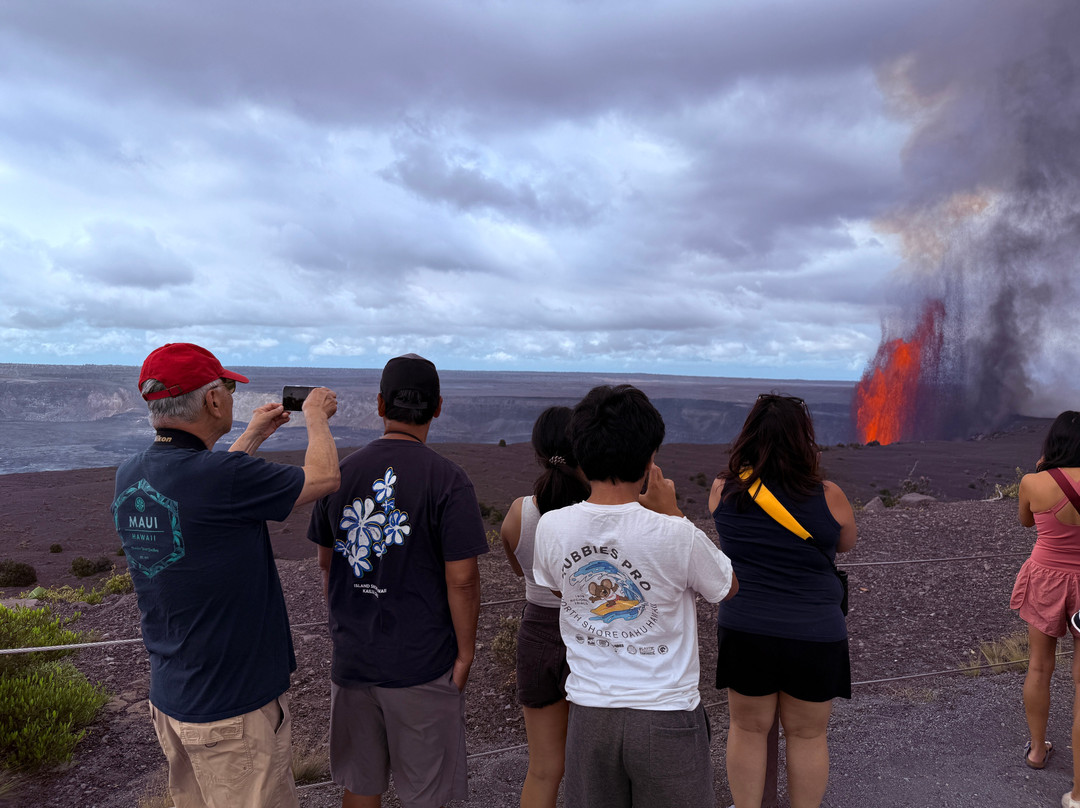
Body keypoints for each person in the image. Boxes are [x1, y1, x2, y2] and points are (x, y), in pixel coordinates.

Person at [111, 342, 340, 808]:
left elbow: (209, 489)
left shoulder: (130, 474)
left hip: (174, 701)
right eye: (228, 388)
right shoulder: (220, 478)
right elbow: (323, 478)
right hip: (234, 710)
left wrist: (252, 436)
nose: (233, 398)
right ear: (212, 400)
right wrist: (317, 415)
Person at [533, 384, 738, 808]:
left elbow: (560, 587)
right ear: (650, 460)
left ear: (581, 454)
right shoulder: (675, 533)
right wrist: (674, 513)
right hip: (667, 716)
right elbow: (726, 587)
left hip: (589, 717)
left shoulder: (552, 527)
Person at [308, 353, 488, 808]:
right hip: (423, 664)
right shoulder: (449, 480)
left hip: (354, 660)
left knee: (361, 786)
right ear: (438, 407)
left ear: (380, 405)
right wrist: (465, 654)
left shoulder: (339, 473)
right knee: (426, 792)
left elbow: (326, 563)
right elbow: (463, 579)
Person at [709, 393, 856, 808]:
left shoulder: (724, 490)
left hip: (745, 627)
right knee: (808, 736)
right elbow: (845, 542)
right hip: (815, 634)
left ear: (748, 437)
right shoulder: (830, 495)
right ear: (803, 440)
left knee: (747, 730)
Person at [500, 406, 591, 808]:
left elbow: (523, 571)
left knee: (543, 768)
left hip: (536, 635)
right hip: (591, 637)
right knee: (593, 767)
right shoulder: (598, 514)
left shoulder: (519, 513)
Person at [1011, 411, 1080, 806]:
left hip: (1046, 580)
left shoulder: (1033, 482)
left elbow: (1024, 521)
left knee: (1039, 667)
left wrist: (1042, 474)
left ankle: (1037, 751)